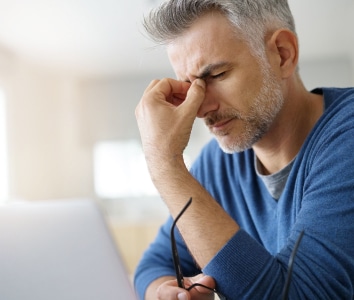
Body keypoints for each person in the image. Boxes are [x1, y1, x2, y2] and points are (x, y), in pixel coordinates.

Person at [134, 0, 354, 299]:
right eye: (189, 85)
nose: (201, 108)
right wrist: (164, 291)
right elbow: (155, 263)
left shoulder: (347, 136)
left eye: (217, 75)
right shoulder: (216, 164)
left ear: (282, 55)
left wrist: (163, 163)